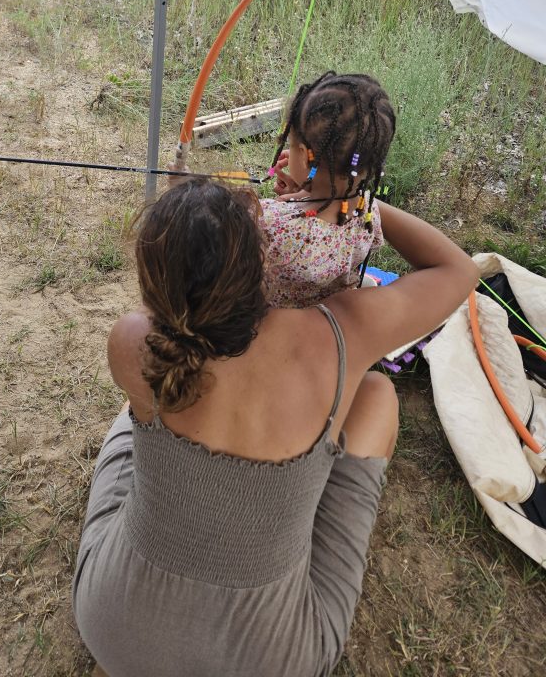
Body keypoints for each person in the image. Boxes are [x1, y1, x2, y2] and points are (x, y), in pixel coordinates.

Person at [72, 178, 477, 677]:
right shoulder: (339, 332)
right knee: (376, 395)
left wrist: (187, 238)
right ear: (265, 260)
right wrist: (347, 193)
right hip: (273, 659)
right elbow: (457, 269)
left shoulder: (133, 343)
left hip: (116, 629)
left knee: (137, 415)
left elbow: (181, 316)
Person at [262, 71, 396, 308]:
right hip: (334, 313)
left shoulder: (272, 223)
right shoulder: (368, 210)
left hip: (283, 326)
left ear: (304, 157)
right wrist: (306, 194)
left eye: (291, 145)